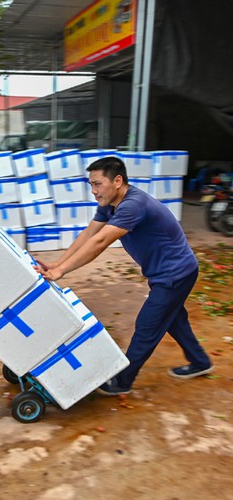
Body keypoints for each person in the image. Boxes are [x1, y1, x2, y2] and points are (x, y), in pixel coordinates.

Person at [36, 156, 213, 395]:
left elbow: (100, 242)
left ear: (117, 181)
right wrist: (57, 263)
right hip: (165, 272)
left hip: (175, 274)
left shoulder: (133, 205)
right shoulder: (109, 205)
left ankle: (122, 382)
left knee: (147, 325)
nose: (94, 191)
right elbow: (89, 234)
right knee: (172, 318)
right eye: (91, 184)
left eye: (97, 184)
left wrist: (61, 271)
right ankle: (200, 362)